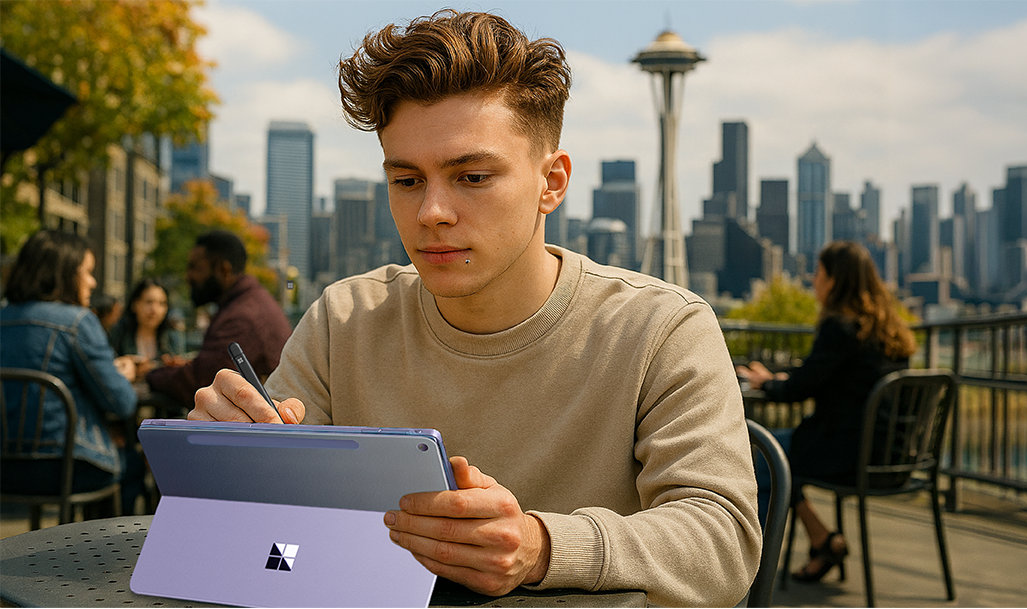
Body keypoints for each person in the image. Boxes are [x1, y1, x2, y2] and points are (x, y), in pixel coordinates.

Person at [189, 10, 760, 607]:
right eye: (407, 181)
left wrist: (542, 547)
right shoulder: (345, 319)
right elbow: (269, 533)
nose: (432, 212)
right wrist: (229, 461)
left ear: (552, 183)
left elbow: (725, 544)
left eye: (473, 176)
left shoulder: (661, 328)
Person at [736, 240, 917, 583]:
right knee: (781, 461)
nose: (813, 280)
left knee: (759, 455)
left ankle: (746, 571)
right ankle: (822, 541)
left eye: (817, 273)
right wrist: (777, 379)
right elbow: (828, 380)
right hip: (891, 456)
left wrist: (765, 383)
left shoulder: (840, 328)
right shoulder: (890, 333)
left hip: (846, 455)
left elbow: (799, 389)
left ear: (835, 280)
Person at [1, 229, 138, 499]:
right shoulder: (77, 321)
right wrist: (123, 375)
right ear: (64, 273)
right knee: (132, 463)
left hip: (4, 467)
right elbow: (122, 403)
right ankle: (99, 541)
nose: (93, 282)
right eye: (87, 271)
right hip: (67, 466)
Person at [145, 230, 292, 410]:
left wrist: (150, 373)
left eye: (195, 268)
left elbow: (203, 385)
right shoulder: (249, 302)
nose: (188, 276)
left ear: (224, 269)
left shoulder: (242, 316)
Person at [109, 277, 186, 381]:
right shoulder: (118, 333)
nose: (154, 310)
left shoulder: (173, 337)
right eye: (149, 302)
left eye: (161, 303)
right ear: (135, 304)